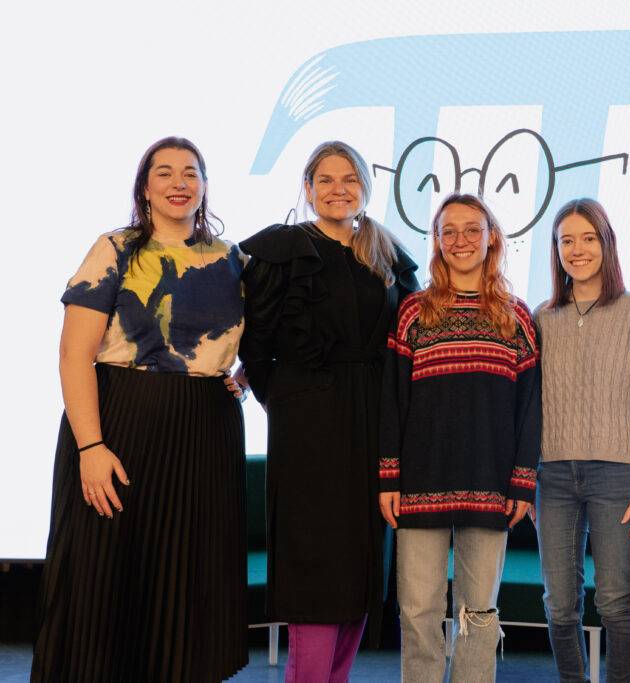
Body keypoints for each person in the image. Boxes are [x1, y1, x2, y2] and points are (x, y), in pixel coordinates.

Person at [32, 136, 248, 682]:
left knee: (189, 587)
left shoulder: (232, 259)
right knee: (105, 582)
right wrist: (91, 446)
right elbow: (73, 355)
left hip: (206, 435)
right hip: (122, 427)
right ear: (144, 187)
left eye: (191, 172)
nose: (179, 183)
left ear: (204, 186)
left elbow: (269, 336)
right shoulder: (115, 249)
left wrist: (244, 377)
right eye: (165, 172)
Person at [237, 140, 418, 682]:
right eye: (326, 179)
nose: (339, 189)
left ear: (365, 185)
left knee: (362, 565)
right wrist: (289, 400)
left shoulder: (387, 251)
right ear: (308, 187)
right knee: (315, 568)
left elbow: (407, 338)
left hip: (374, 421)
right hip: (308, 427)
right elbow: (257, 343)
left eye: (350, 178)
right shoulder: (283, 249)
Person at [378, 193, 540, 683]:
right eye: (448, 231)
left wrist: (523, 482)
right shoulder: (413, 313)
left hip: (490, 484)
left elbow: (530, 409)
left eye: (473, 229)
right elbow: (392, 401)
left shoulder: (516, 317)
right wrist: (388, 478)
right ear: (436, 241)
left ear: (492, 238)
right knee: (417, 611)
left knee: (479, 614)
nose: (461, 240)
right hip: (420, 483)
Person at [533, 198, 630, 682]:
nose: (577, 249)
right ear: (556, 250)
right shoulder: (542, 317)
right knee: (559, 604)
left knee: (615, 601)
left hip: (618, 476)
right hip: (553, 476)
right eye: (566, 240)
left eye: (588, 238)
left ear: (607, 244)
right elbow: (531, 406)